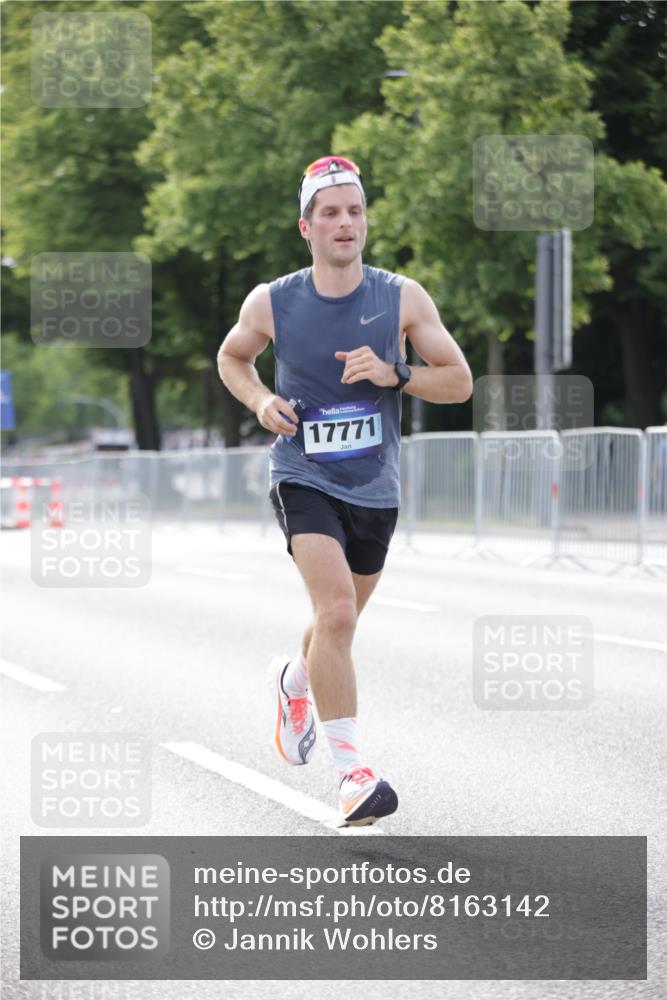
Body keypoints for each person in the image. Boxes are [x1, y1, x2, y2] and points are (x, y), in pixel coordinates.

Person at [218, 155, 472, 826]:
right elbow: (231, 357)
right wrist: (260, 399)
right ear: (306, 226)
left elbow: (457, 381)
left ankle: (294, 680)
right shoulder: (272, 301)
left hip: (373, 485)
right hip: (302, 473)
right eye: (329, 212)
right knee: (334, 613)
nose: (344, 222)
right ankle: (353, 775)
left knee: (340, 619)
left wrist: (396, 373)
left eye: (354, 210)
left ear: (365, 221)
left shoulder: (402, 297)